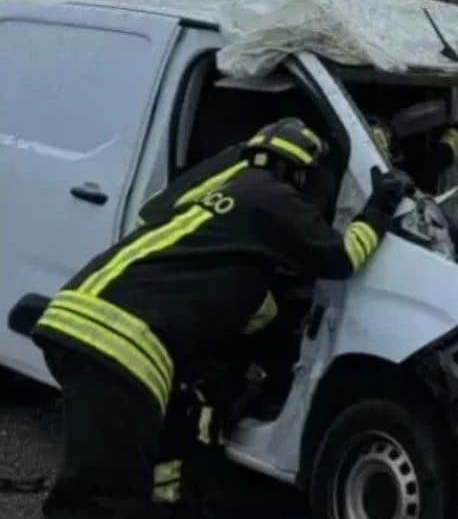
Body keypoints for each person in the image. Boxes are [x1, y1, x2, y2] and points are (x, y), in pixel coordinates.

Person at [32, 117, 412, 519]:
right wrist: (378, 208)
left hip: (79, 312)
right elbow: (343, 258)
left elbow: (159, 217)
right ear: (298, 173)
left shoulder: (220, 196)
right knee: (101, 501)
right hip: (121, 345)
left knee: (139, 469)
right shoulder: (275, 198)